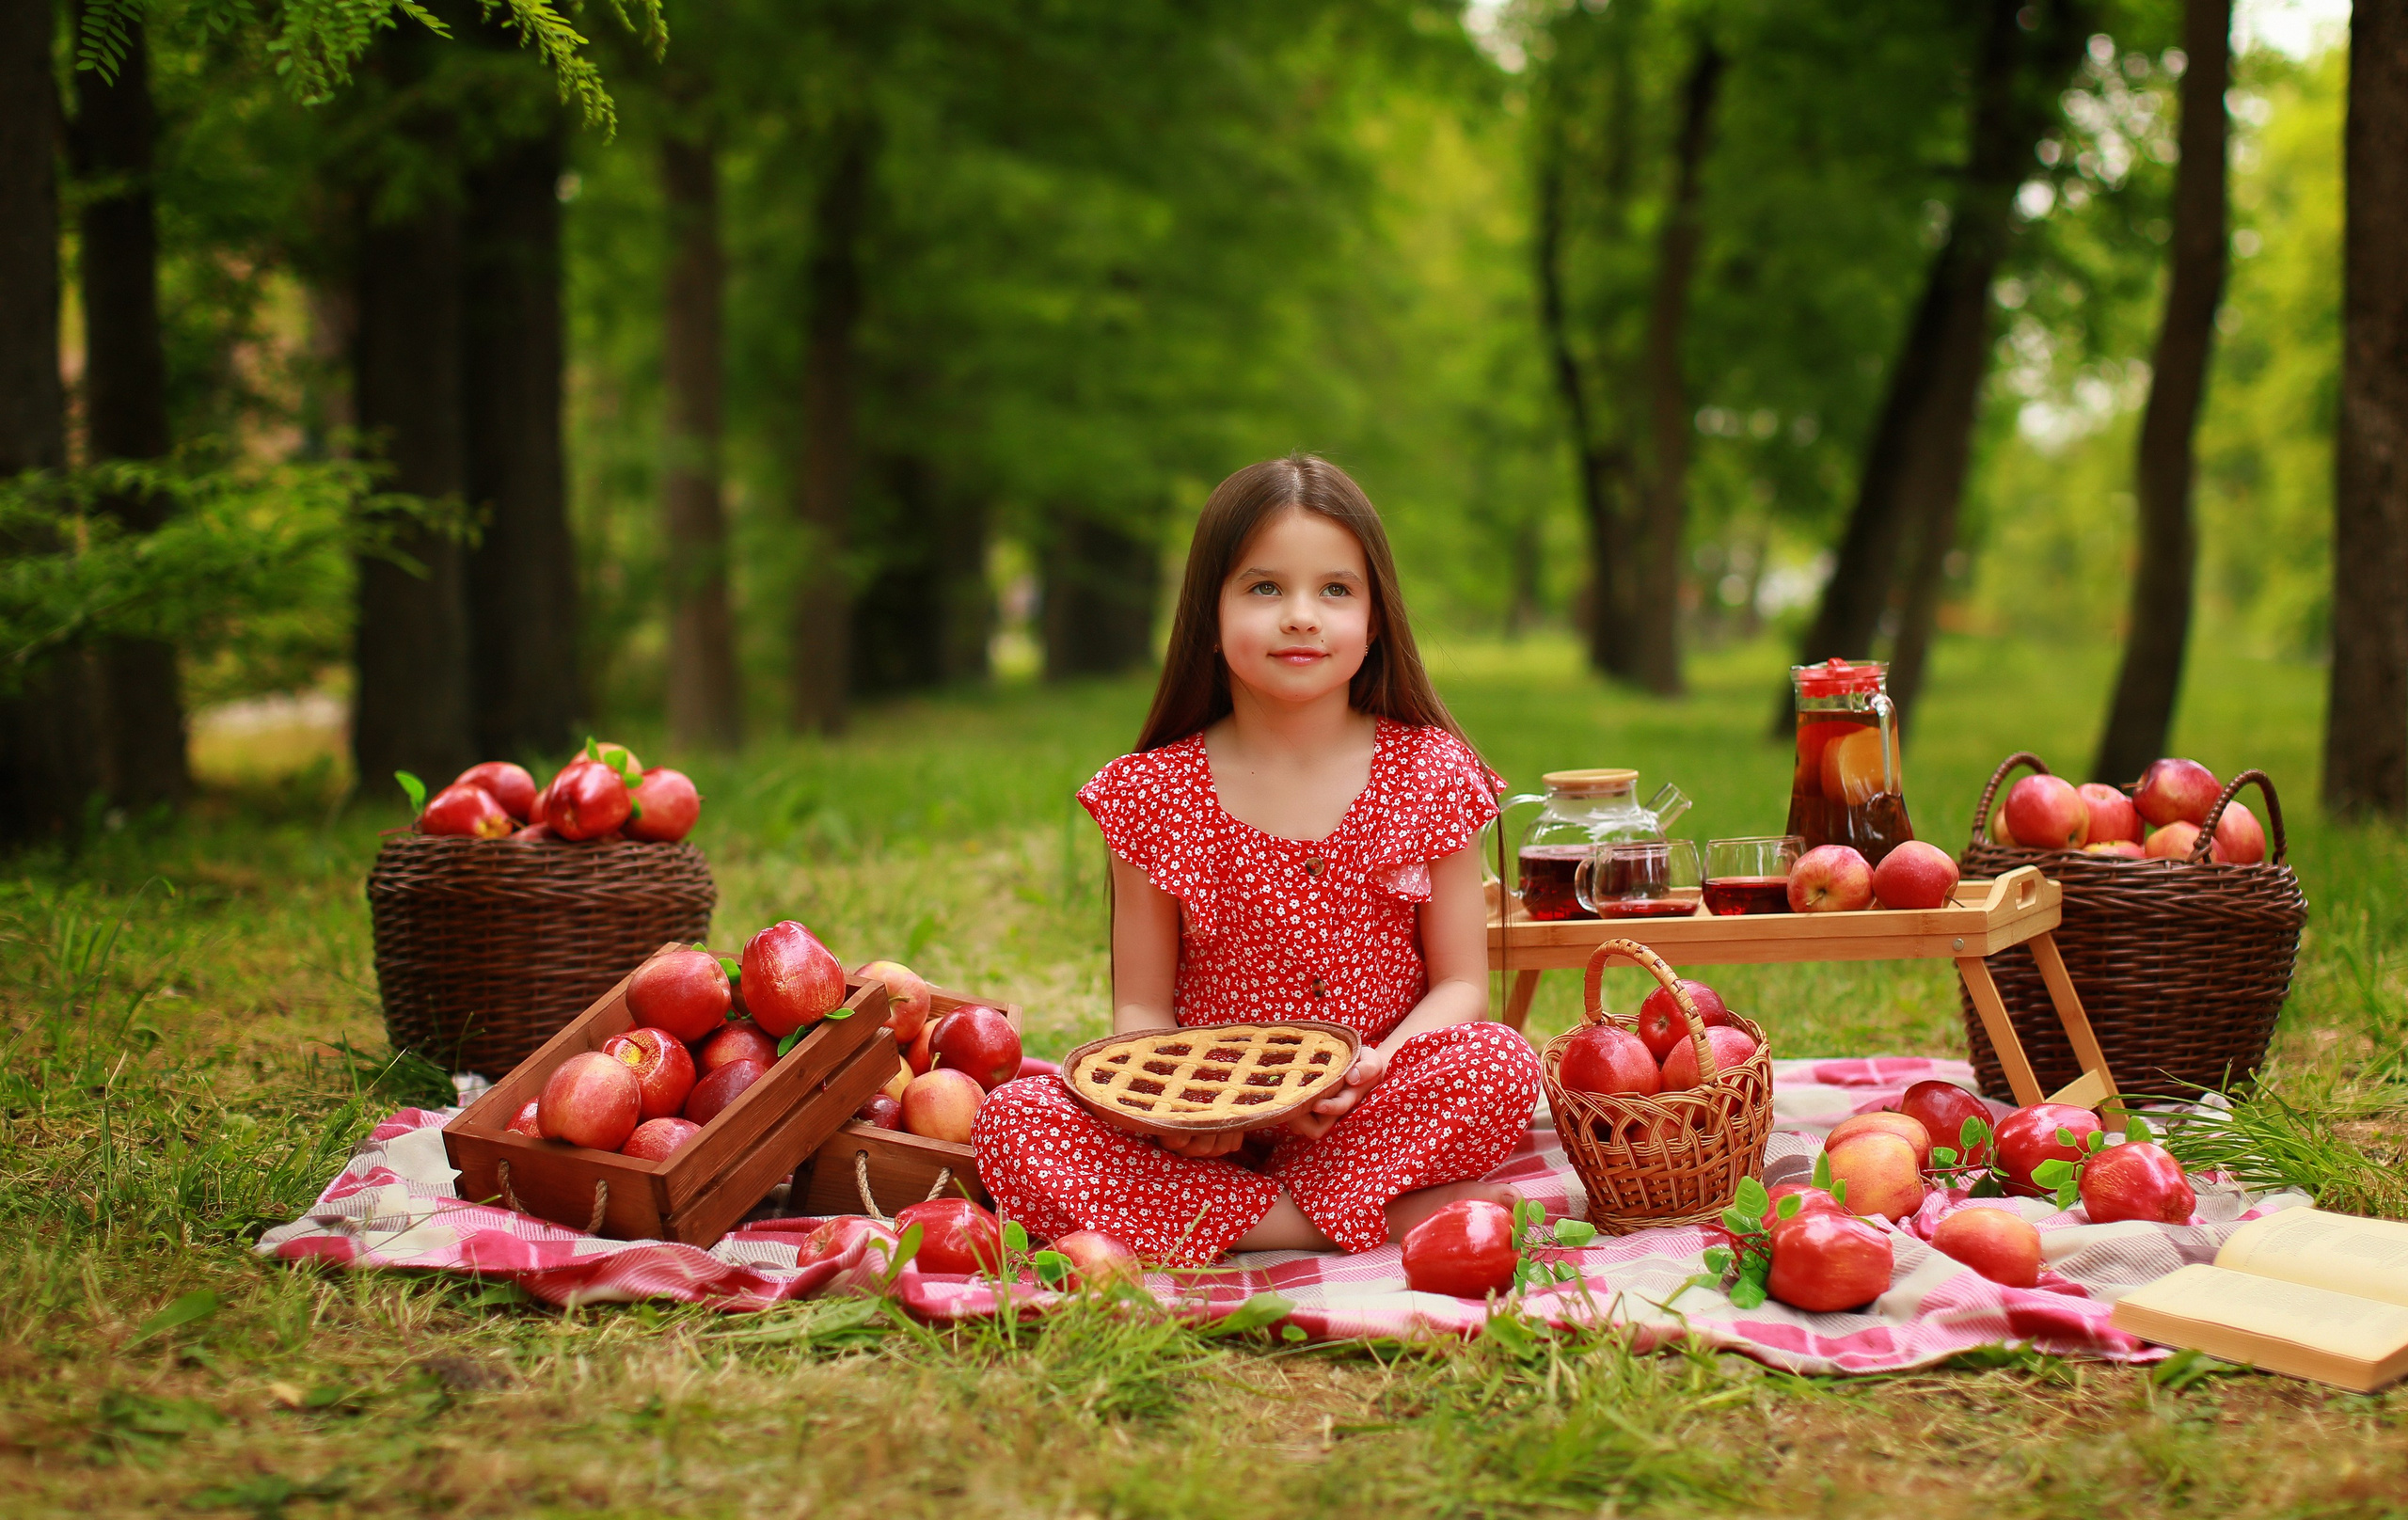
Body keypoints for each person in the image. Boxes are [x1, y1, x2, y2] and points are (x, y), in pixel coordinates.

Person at [973, 453, 1542, 1264]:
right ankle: (1370, 1217)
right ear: (1208, 614)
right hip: (1208, 1131)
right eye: (1264, 587)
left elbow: (1461, 986)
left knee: (1499, 1064)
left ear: (1376, 620)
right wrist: (1188, 1115)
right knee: (1015, 1120)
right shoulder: (1152, 793)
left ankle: (1233, 1225)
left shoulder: (1431, 772)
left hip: (1371, 1104)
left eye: (1335, 590)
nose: (1301, 616)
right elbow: (1139, 1010)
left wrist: (1369, 1071)